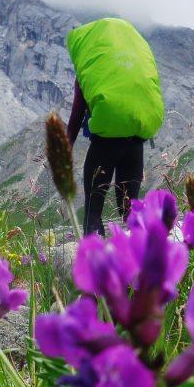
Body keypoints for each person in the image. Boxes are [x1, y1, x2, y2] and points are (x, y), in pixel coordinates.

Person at [65, 18, 164, 236]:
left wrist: (64, 150)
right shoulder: (129, 71)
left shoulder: (90, 72)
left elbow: (75, 116)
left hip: (105, 146)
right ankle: (139, 258)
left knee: (93, 210)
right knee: (130, 211)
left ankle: (94, 256)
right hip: (136, 143)